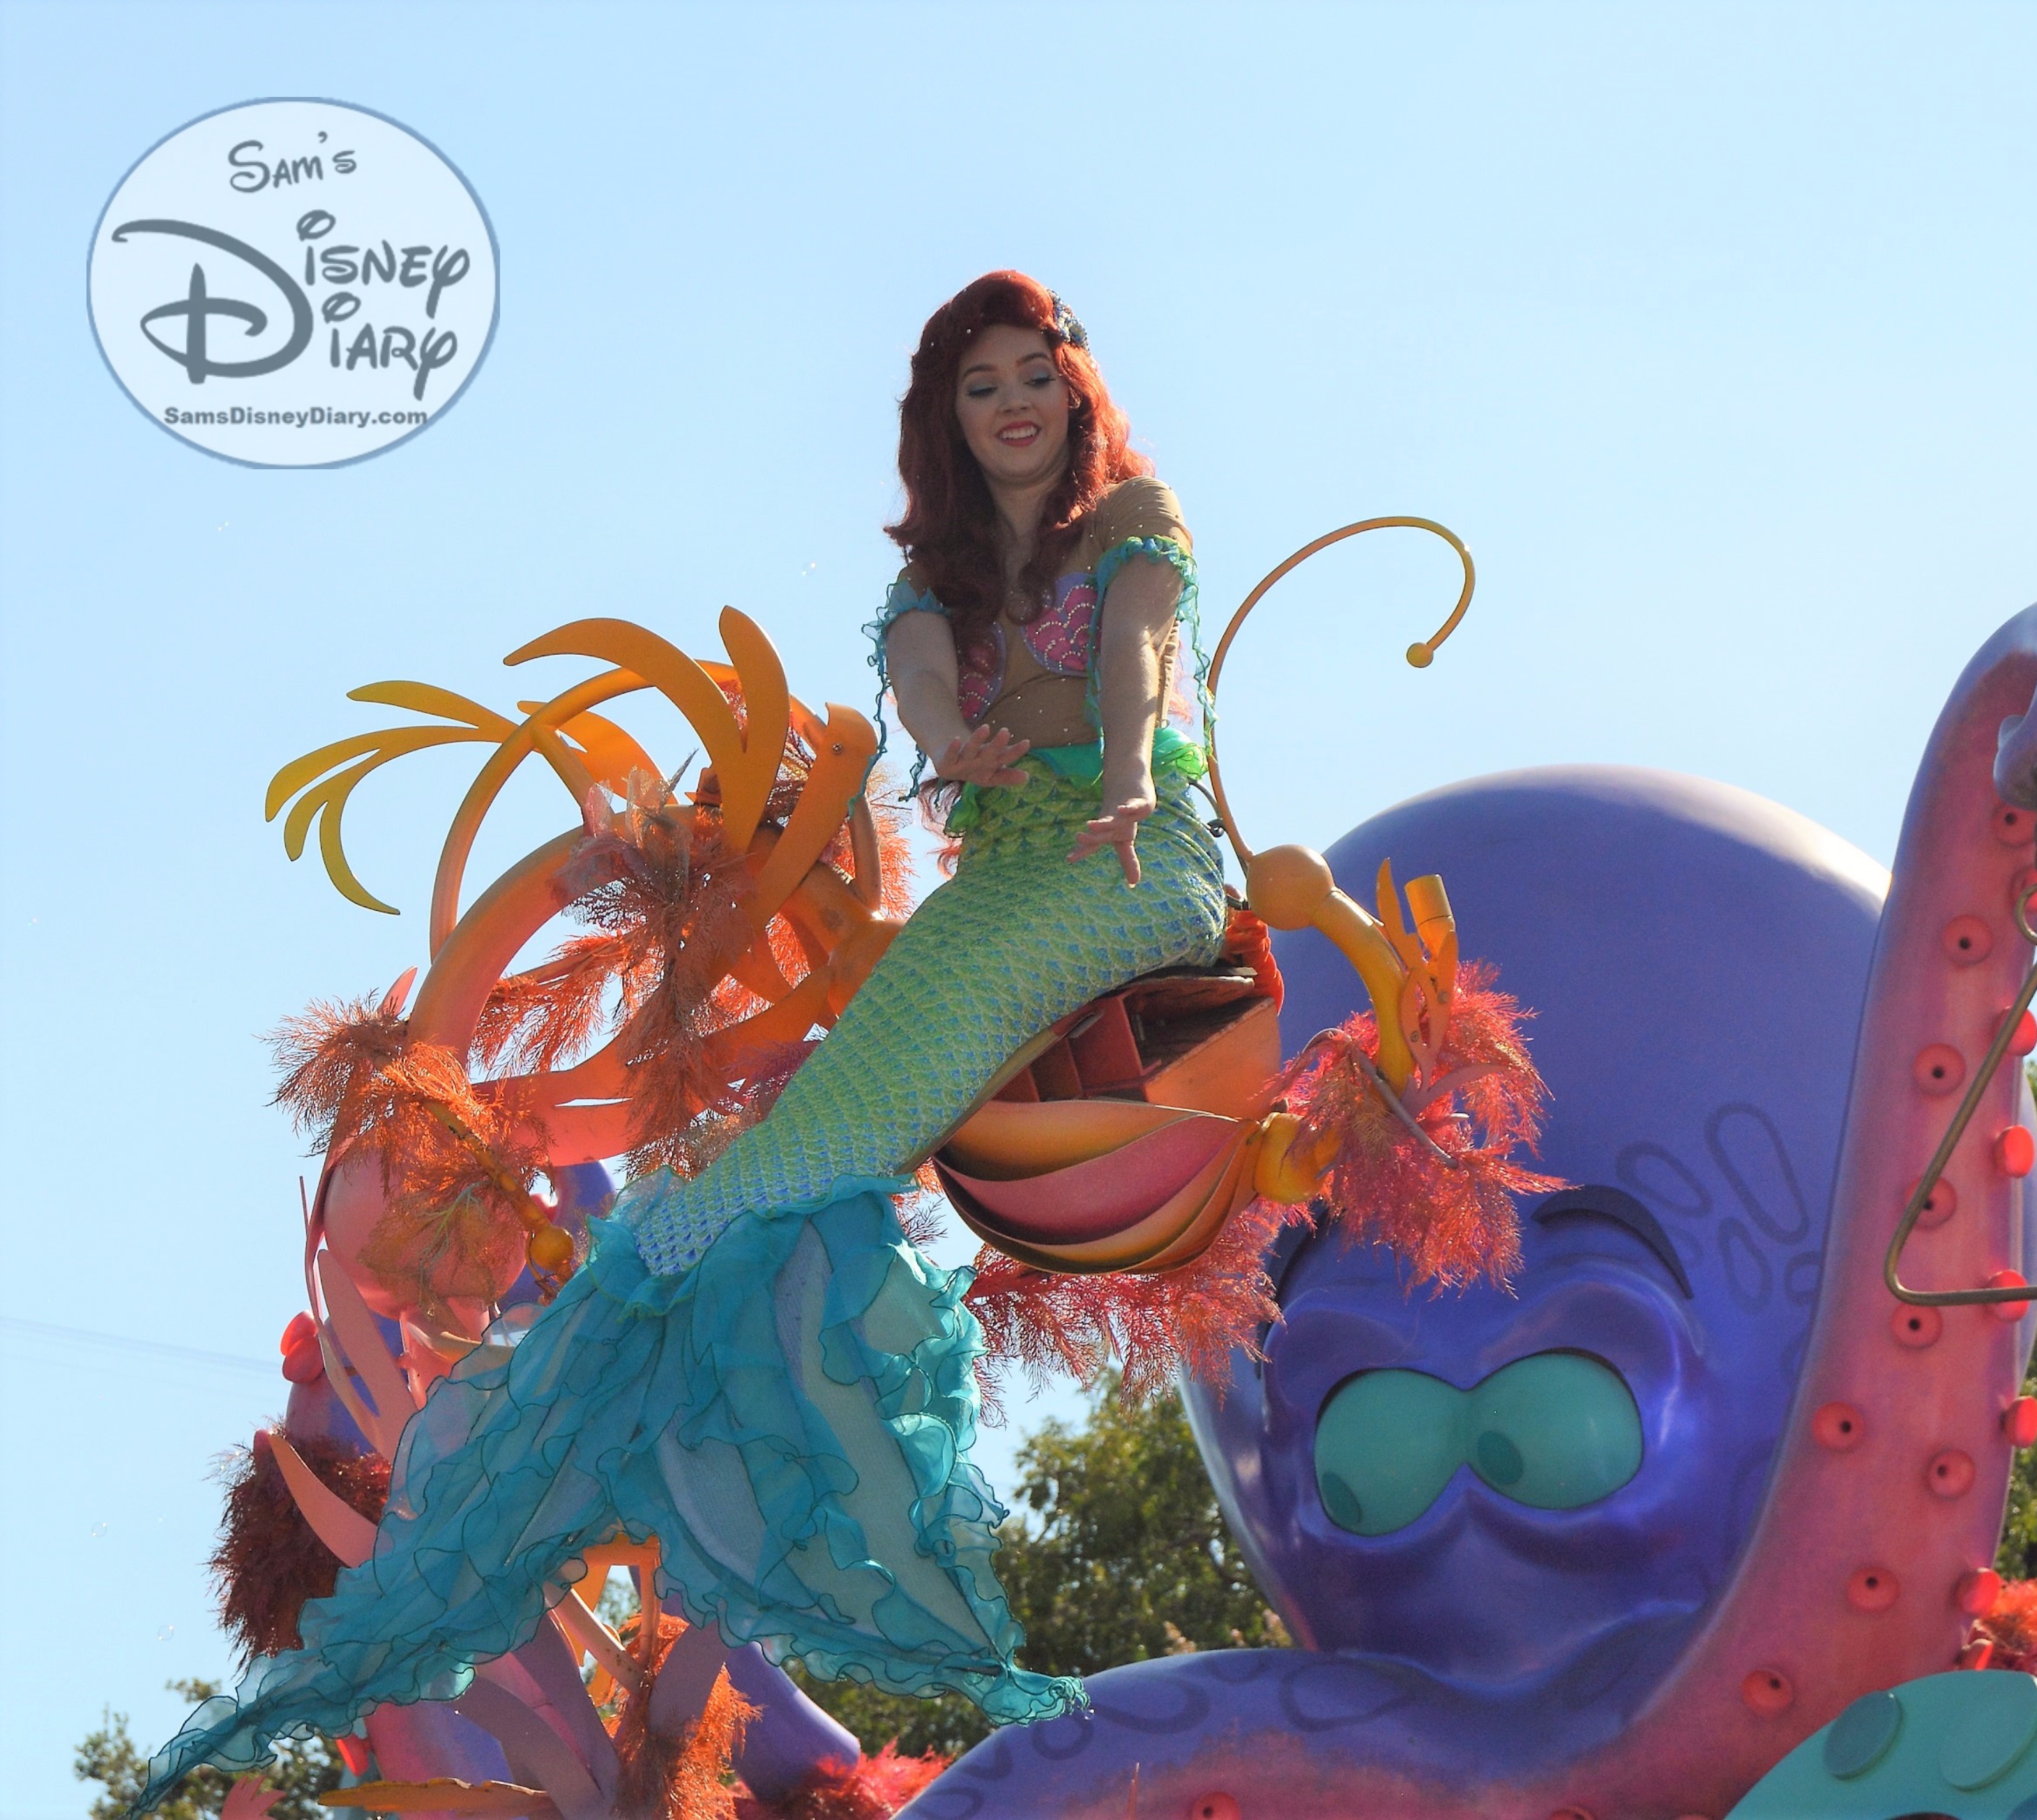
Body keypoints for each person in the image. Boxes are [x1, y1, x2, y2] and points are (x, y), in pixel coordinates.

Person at [133, 271, 1226, 1811]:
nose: (1011, 406)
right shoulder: (932, 582)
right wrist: (952, 743)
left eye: (1029, 376)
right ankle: (588, 1461)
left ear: (1074, 385)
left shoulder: (1132, 521)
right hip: (995, 897)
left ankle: (655, 1468)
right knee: (728, 1193)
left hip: (1130, 866)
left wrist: (1123, 774)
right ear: (945, 418)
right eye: (978, 386)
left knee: (778, 1178)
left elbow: (1137, 659)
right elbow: (926, 689)